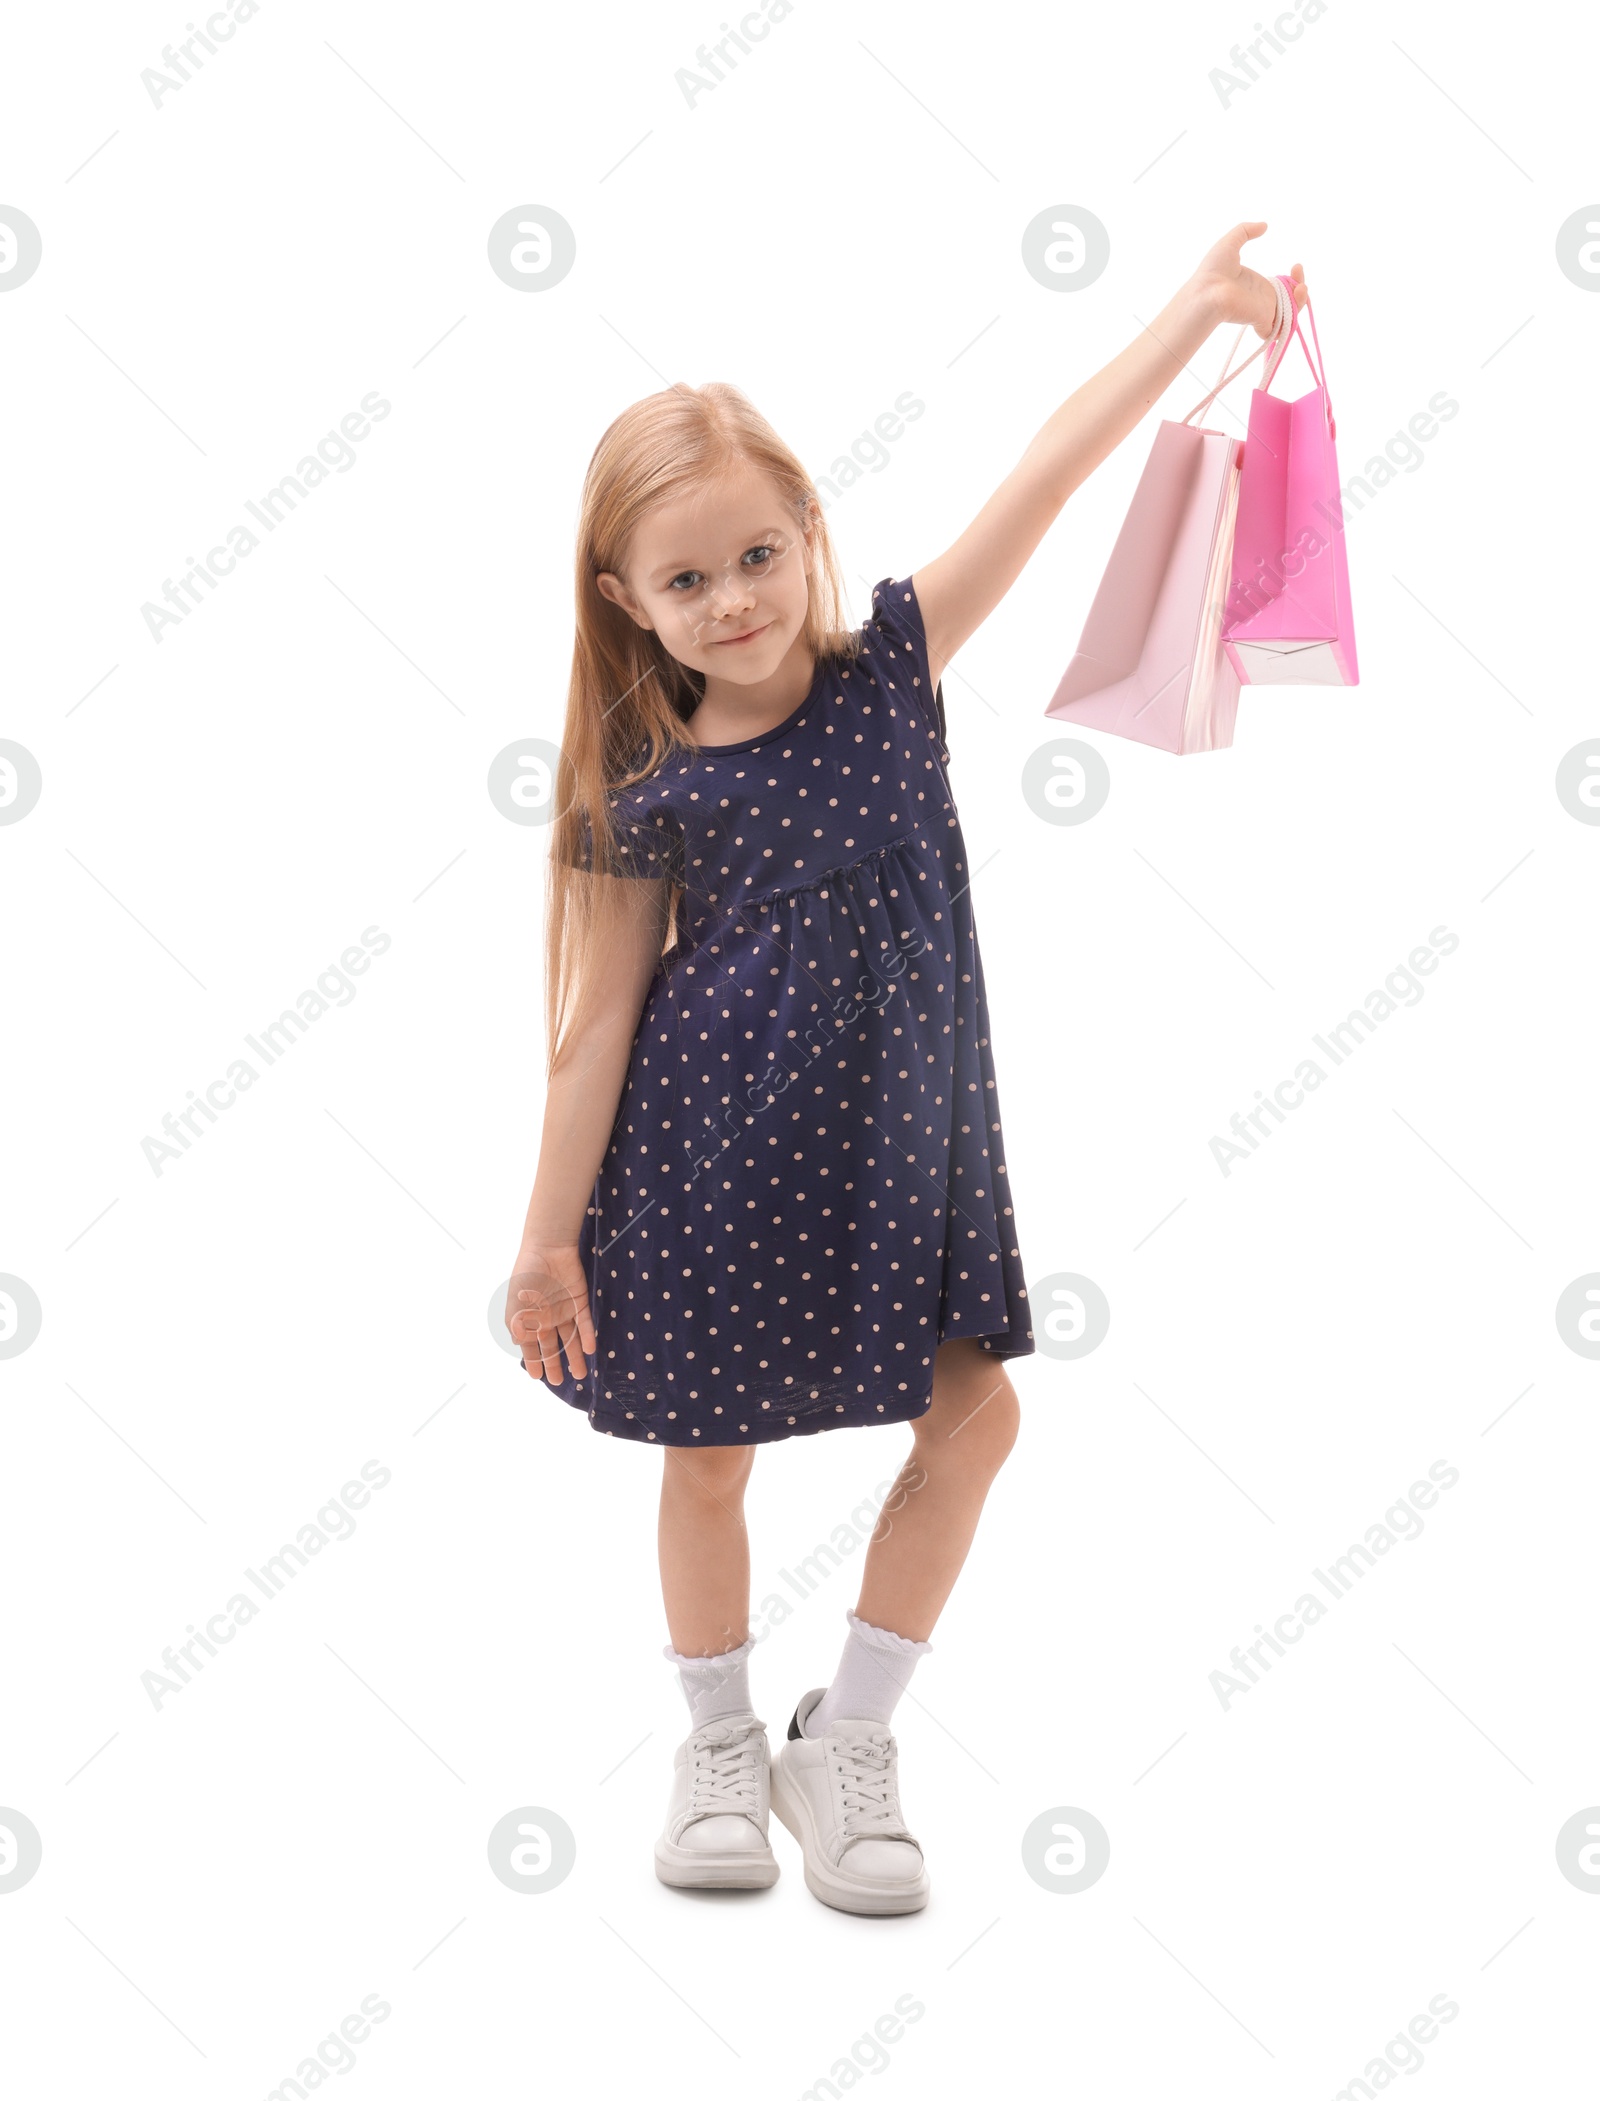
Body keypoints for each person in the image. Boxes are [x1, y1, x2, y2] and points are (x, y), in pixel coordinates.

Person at [508, 223, 1307, 1915]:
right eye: (686, 579)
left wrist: (1193, 310)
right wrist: (546, 1234)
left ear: (807, 534)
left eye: (756, 555)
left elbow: (1054, 465)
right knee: (706, 1461)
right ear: (625, 602)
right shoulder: (644, 788)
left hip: (895, 1163)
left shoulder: (892, 675)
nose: (732, 601)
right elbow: (592, 1030)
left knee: (981, 1415)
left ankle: (844, 1735)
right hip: (703, 1172)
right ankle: (718, 1741)